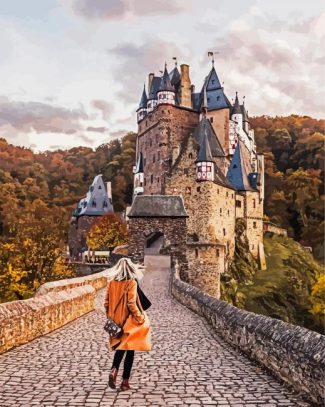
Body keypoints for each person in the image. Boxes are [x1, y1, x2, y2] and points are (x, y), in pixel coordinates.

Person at [104, 258, 151, 391]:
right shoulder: (131, 282)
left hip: (115, 321)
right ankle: (125, 382)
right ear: (131, 269)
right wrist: (140, 317)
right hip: (128, 320)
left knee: (120, 347)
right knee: (130, 349)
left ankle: (114, 369)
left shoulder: (111, 283)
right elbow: (131, 303)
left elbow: (106, 303)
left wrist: (110, 318)